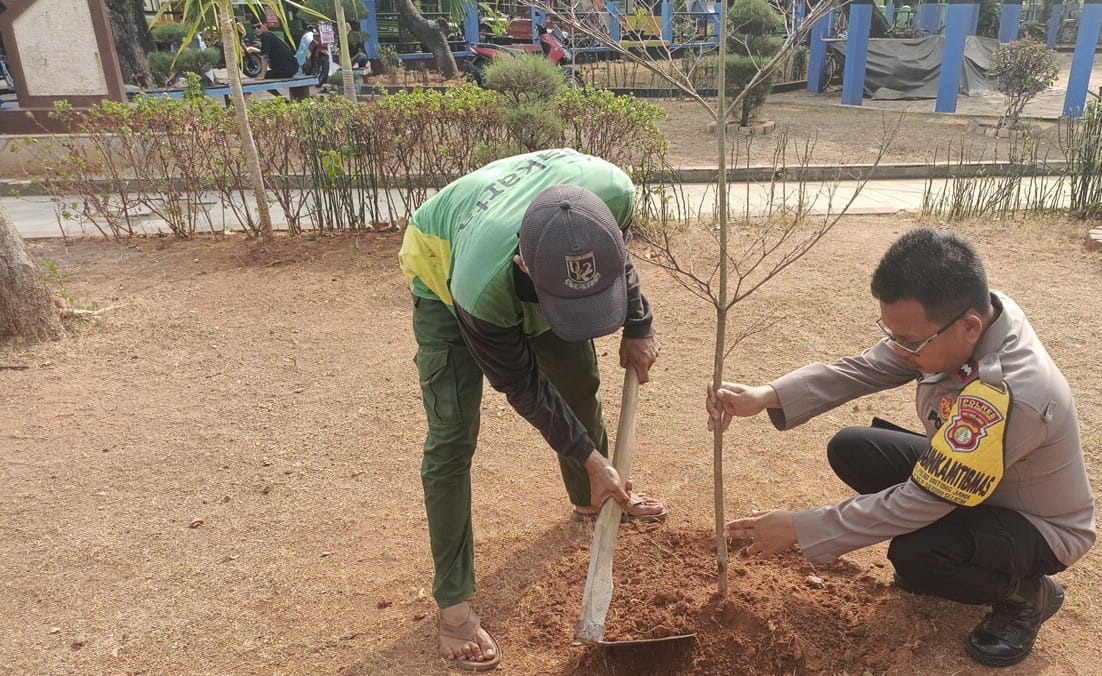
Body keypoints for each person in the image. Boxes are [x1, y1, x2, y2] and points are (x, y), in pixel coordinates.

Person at [706, 228, 1095, 668]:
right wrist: (766, 394)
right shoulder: (974, 314)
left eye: (910, 342)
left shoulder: (1012, 392)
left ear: (968, 327)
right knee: (853, 447)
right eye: (893, 333)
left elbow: (924, 499)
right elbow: (869, 367)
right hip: (969, 477)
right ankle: (970, 554)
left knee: (918, 555)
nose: (899, 349)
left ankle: (1029, 594)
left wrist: (802, 527)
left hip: (1033, 522)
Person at [399, 148, 668, 671]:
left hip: (530, 250)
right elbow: (524, 386)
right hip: (445, 268)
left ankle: (593, 498)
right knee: (453, 438)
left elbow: (617, 253)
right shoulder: (480, 286)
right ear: (526, 268)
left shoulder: (612, 190)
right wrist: (592, 457)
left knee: (579, 384)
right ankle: (453, 607)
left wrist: (639, 322)